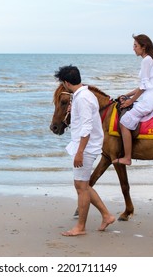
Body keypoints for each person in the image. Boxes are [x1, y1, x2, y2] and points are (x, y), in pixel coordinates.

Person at [54, 65, 115, 236]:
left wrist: (80, 152)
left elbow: (87, 128)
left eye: (62, 83)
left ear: (66, 83)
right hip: (87, 146)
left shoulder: (82, 99)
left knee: (81, 187)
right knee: (84, 185)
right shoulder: (84, 95)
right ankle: (107, 215)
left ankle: (80, 227)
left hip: (86, 148)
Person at [113, 34, 153, 166]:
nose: (133, 49)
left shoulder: (146, 61)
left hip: (151, 97)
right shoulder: (151, 59)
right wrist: (127, 95)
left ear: (143, 47)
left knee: (124, 121)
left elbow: (143, 87)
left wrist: (130, 101)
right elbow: (145, 85)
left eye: (135, 46)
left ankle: (127, 157)